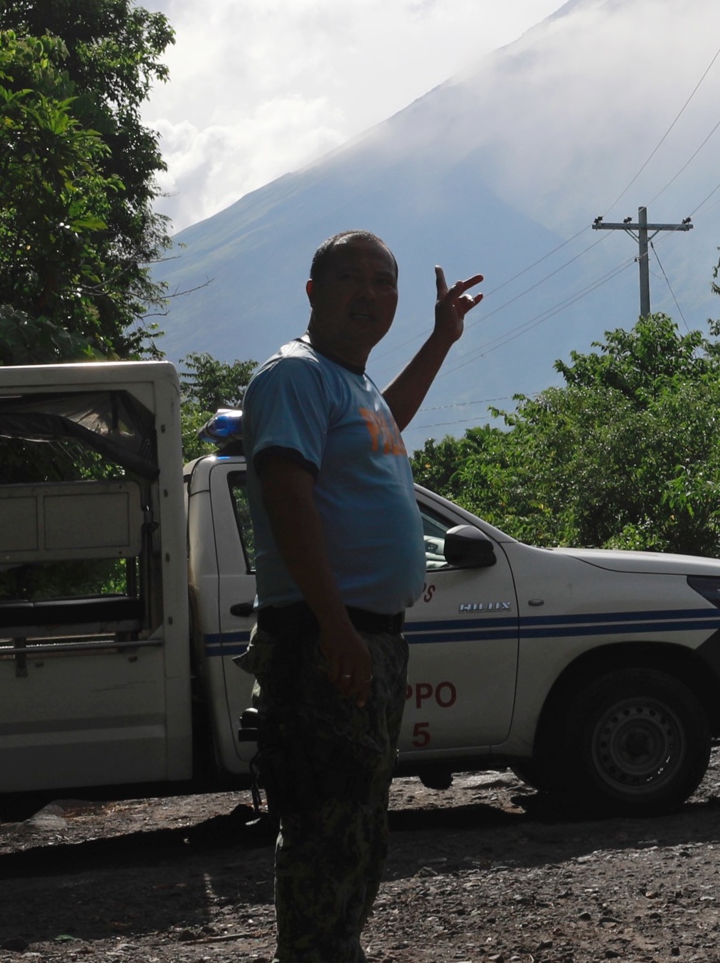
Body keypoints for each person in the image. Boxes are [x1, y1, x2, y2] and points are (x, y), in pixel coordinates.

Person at [241, 231, 483, 963]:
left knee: (356, 826)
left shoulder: (351, 382)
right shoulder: (295, 375)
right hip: (325, 640)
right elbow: (289, 500)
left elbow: (386, 425)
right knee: (326, 830)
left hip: (364, 637)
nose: (370, 294)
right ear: (313, 292)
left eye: (384, 282)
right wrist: (334, 626)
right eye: (352, 278)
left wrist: (441, 340)